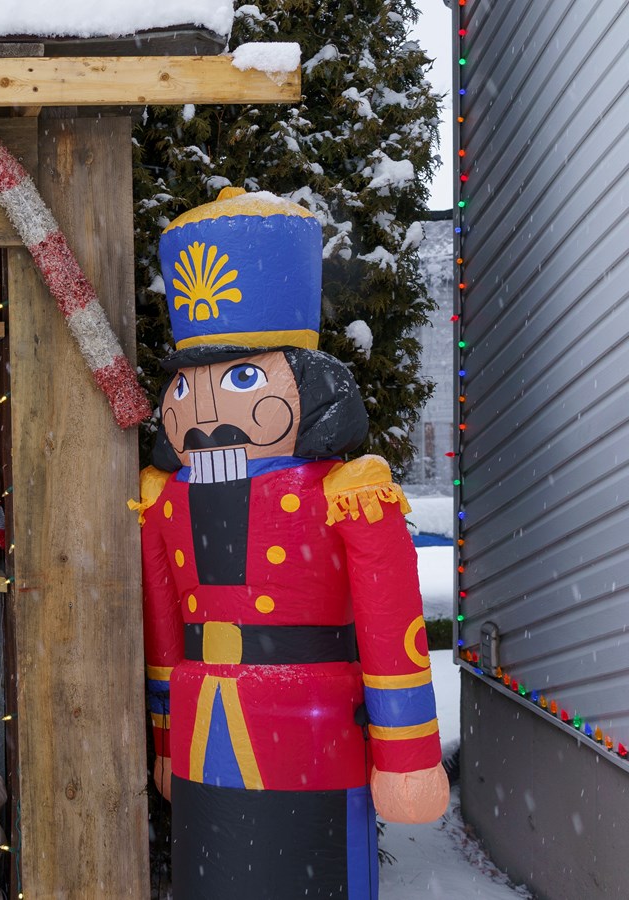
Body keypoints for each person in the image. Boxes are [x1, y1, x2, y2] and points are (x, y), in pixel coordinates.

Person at [135, 187, 449, 900]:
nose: (207, 411)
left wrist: (406, 752)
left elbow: (388, 623)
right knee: (212, 871)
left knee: (308, 867)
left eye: (244, 378)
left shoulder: (349, 491)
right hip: (200, 720)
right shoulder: (163, 496)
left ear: (310, 387)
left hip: (310, 725)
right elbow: (163, 621)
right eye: (189, 386)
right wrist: (163, 731)